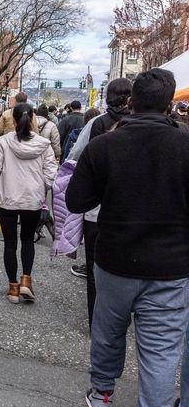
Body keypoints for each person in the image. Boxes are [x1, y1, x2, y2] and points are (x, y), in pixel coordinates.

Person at [66, 68, 189, 407]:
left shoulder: (105, 145)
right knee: (161, 354)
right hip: (171, 267)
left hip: (116, 258)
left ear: (132, 101)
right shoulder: (185, 146)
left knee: (108, 330)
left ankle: (102, 393)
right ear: (169, 104)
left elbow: (76, 201)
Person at [72, 78, 132, 328]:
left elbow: (76, 156)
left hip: (97, 210)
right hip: (133, 210)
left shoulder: (97, 123)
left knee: (95, 268)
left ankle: (96, 321)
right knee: (128, 267)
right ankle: (122, 318)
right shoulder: (145, 125)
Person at [0, 104, 57, 303]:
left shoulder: (3, 142)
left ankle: (13, 287)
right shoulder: (44, 144)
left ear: (13, 120)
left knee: (10, 243)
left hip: (7, 197)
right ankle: (26, 281)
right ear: (33, 119)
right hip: (32, 199)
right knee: (27, 240)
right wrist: (41, 187)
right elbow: (51, 174)